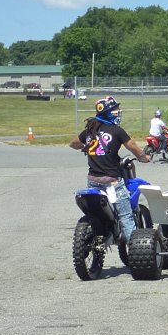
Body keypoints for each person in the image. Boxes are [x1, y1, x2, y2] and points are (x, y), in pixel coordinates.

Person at [69, 96, 150, 242]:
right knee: (125, 216)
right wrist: (144, 158)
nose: (118, 112)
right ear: (107, 112)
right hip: (111, 181)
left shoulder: (90, 129)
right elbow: (134, 148)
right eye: (115, 109)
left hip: (92, 181)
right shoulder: (117, 131)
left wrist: (86, 145)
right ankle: (135, 249)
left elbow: (73, 143)